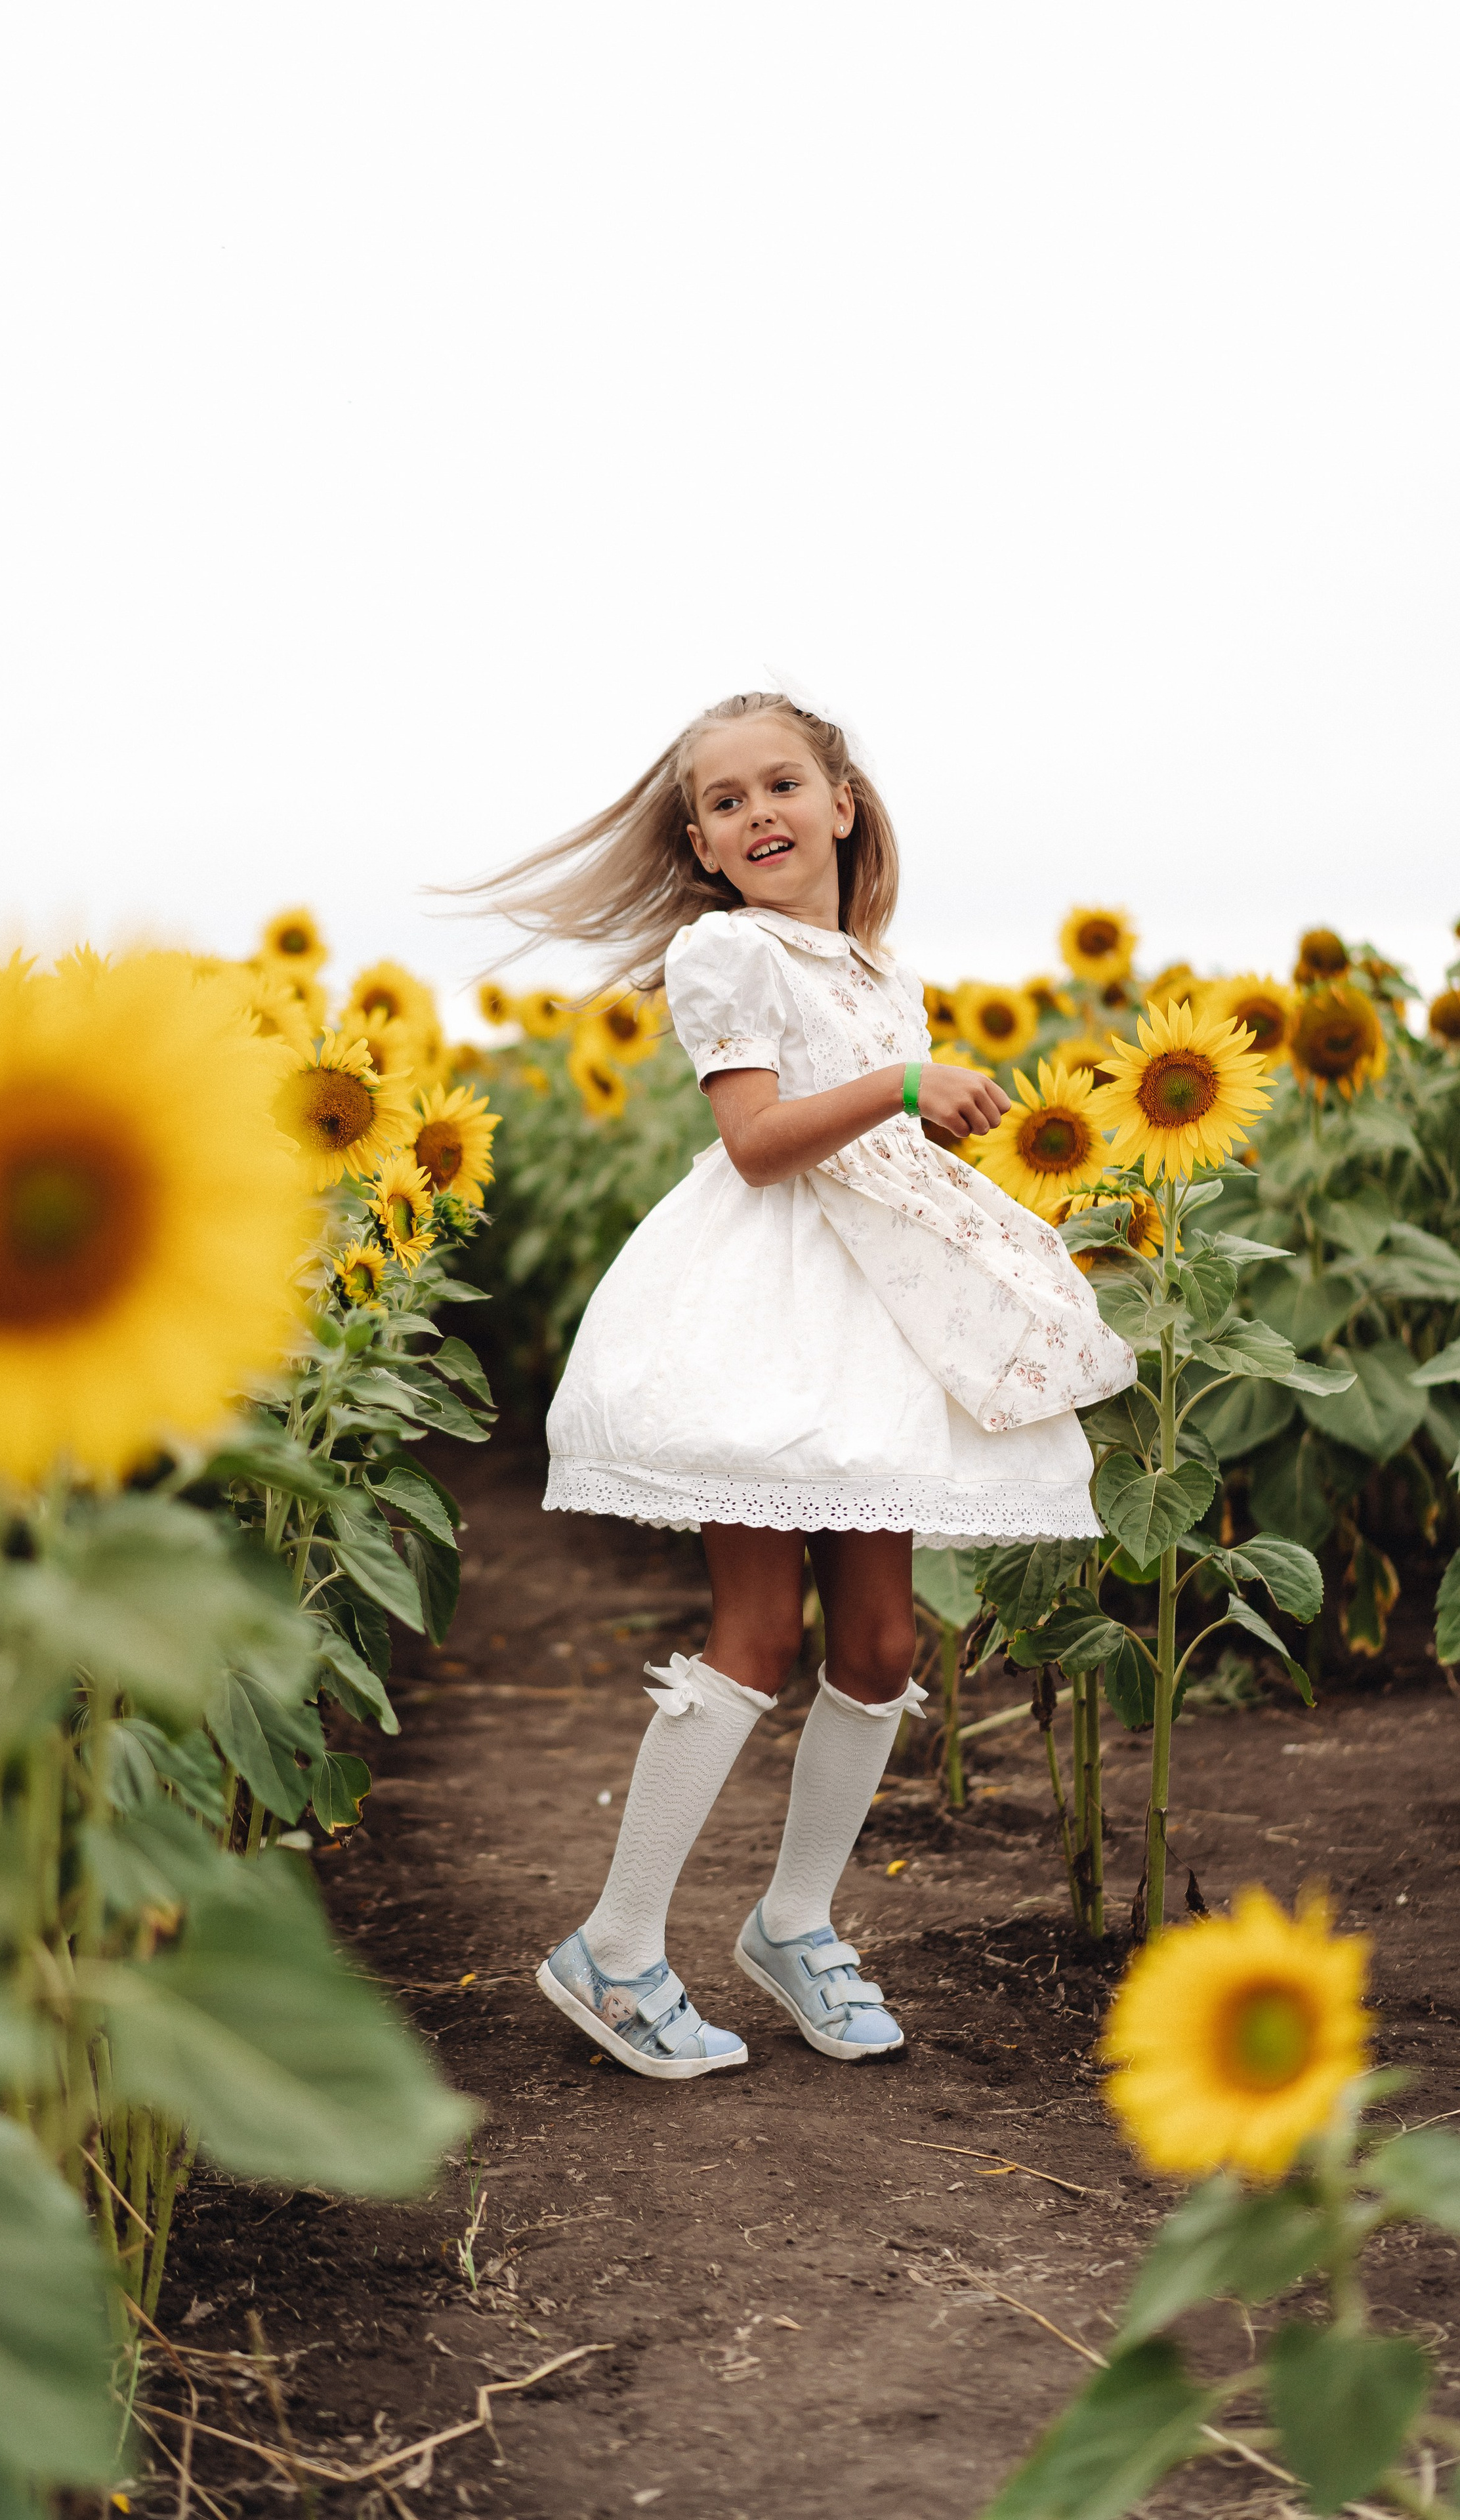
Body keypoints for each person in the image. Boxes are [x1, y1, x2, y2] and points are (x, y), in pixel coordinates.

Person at [466, 692, 1137, 2080]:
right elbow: (761, 1141)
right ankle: (619, 1942)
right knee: (757, 1630)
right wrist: (904, 1085)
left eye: (780, 783)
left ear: (842, 802)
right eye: (722, 802)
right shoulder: (723, 951)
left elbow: (883, 1149)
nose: (755, 811)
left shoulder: (877, 972)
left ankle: (791, 1922)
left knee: (882, 1645)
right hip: (764, 1308)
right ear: (702, 848)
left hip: (870, 1313)